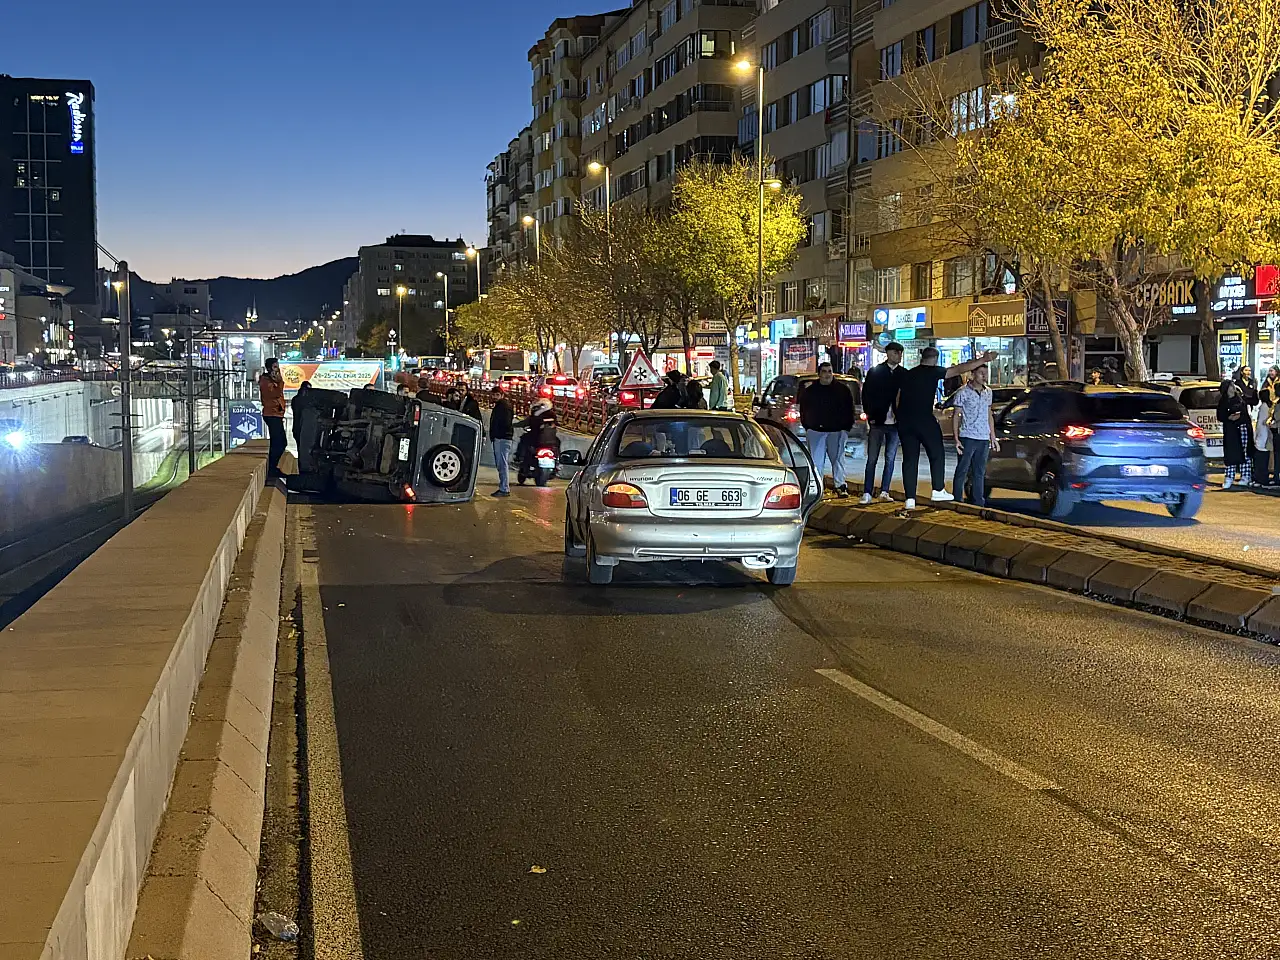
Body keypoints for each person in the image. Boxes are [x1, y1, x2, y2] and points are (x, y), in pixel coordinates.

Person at [896, 347, 998, 509]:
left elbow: (898, 396)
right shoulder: (933, 371)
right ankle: (938, 490)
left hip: (905, 421)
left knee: (909, 459)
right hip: (924, 419)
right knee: (937, 453)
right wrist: (983, 359)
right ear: (935, 359)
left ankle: (910, 499)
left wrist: (898, 416)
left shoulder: (908, 374)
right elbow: (959, 369)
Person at [798, 361, 855, 497]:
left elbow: (849, 409)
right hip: (816, 431)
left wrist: (846, 427)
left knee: (838, 459)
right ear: (819, 374)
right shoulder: (810, 391)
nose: (827, 374)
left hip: (836, 431)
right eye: (824, 371)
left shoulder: (842, 390)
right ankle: (817, 488)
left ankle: (840, 485)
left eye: (829, 371)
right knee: (816, 462)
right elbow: (804, 409)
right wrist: (808, 426)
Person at [859, 342, 905, 504]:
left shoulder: (903, 374)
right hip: (877, 421)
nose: (899, 356)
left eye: (900, 353)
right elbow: (866, 395)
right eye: (896, 352)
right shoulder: (876, 372)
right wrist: (870, 415)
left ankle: (885, 490)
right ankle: (867, 492)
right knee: (872, 459)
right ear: (889, 353)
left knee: (890, 458)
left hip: (895, 423)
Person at [951, 365, 1000, 506]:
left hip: (983, 437)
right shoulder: (963, 392)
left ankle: (978, 501)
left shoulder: (988, 392)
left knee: (980, 471)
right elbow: (956, 416)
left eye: (986, 373)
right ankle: (957, 499)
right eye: (981, 373)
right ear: (973, 374)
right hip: (967, 436)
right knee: (963, 469)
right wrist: (956, 438)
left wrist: (993, 437)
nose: (984, 376)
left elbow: (989, 414)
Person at [1218, 375, 1254, 489]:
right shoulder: (1223, 402)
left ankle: (1245, 476)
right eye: (1230, 386)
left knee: (1244, 452)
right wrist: (1229, 417)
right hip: (1230, 430)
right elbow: (1220, 415)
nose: (1233, 388)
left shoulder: (1240, 399)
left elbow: (1245, 414)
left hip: (1242, 428)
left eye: (1233, 386)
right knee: (1231, 453)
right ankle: (1229, 477)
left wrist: (1239, 416)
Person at [258, 358, 287, 481]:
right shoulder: (265, 381)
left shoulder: (273, 380)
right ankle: (272, 468)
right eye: (275, 367)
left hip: (277, 414)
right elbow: (275, 394)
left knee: (280, 442)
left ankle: (273, 467)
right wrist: (280, 382)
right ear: (269, 368)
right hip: (271, 414)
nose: (277, 369)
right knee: (278, 442)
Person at [489, 385, 515, 497]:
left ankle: (504, 488)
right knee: (501, 463)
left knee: (502, 464)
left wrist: (497, 434)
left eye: (497, 395)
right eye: (493, 395)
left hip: (502, 438)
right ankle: (503, 487)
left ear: (502, 395)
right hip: (501, 437)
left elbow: (505, 423)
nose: (495, 397)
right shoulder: (500, 405)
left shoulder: (503, 406)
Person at [1257, 366, 1280, 486]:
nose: (1271, 372)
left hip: (1275, 426)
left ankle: (1275, 476)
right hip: (1272, 424)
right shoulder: (1266, 383)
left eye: (1272, 370)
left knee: (1276, 453)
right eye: (1269, 371)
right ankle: (1274, 474)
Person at [290, 380, 312, 451]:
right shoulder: (306, 401)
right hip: (303, 428)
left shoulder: (295, 399)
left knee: (300, 449)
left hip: (297, 428)